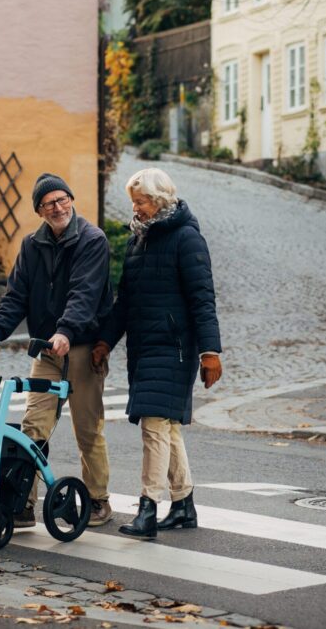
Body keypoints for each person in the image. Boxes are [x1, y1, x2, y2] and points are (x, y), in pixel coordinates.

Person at [0, 172, 115, 528]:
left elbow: (85, 293)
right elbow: (16, 296)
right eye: (48, 203)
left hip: (81, 348)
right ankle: (23, 503)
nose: (57, 207)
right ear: (39, 210)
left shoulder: (92, 240)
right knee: (32, 427)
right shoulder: (31, 245)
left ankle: (98, 500)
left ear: (71, 199)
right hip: (47, 352)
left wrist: (66, 330)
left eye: (62, 199)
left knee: (87, 428)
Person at [93, 167, 222, 539]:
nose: (136, 209)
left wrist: (210, 352)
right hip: (144, 348)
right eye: (134, 202)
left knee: (153, 425)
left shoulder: (186, 239)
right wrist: (105, 340)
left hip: (176, 348)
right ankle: (183, 504)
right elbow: (125, 302)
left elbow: (203, 300)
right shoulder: (138, 242)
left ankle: (148, 509)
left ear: (161, 200)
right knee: (167, 427)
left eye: (142, 202)